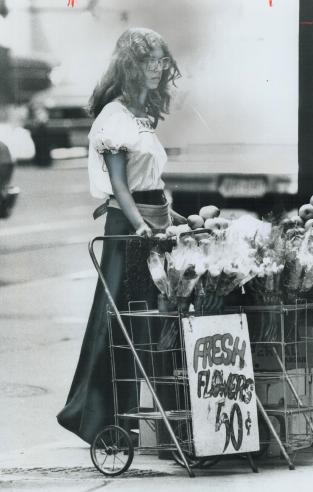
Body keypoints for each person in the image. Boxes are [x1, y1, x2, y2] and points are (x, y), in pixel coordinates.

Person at [57, 27, 186, 444]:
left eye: (162, 61)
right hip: (129, 229)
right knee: (119, 322)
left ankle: (141, 418)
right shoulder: (114, 117)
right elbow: (121, 187)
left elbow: (150, 184)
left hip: (151, 225)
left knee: (148, 322)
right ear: (130, 67)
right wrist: (141, 225)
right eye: (148, 62)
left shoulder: (142, 114)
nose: (157, 69)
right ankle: (95, 418)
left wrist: (177, 219)